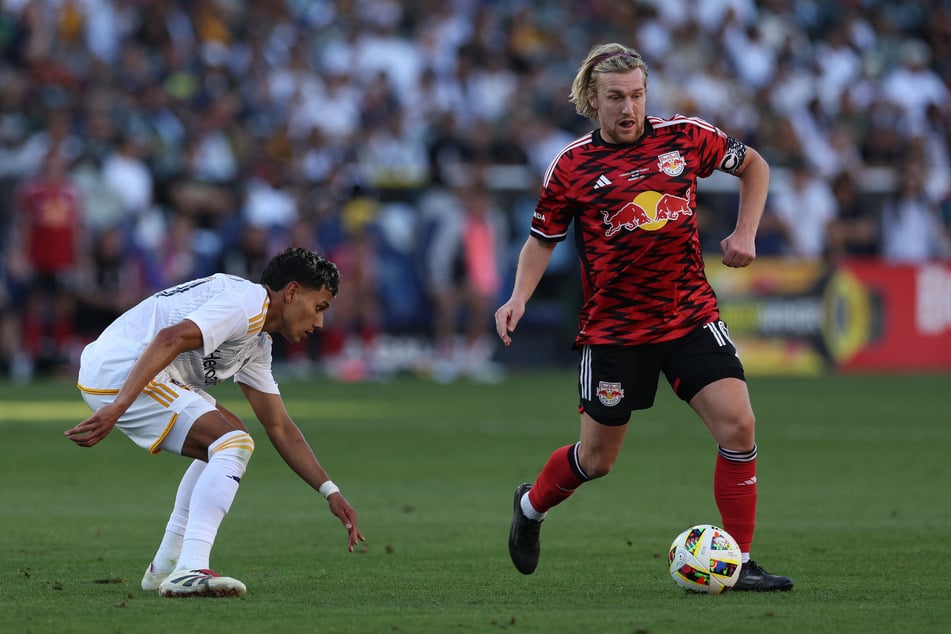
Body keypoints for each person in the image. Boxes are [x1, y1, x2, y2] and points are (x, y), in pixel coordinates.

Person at [494, 43, 793, 591]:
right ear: (592, 100)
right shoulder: (572, 166)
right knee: (598, 459)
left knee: (739, 425)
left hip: (688, 313)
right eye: (615, 97)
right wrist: (517, 298)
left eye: (636, 95)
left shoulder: (684, 136)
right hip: (615, 331)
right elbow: (542, 240)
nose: (628, 108)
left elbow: (754, 165)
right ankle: (531, 506)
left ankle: (739, 561)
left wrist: (746, 231)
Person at [65, 247, 365, 597]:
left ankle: (164, 568)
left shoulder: (257, 341)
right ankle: (190, 568)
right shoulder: (245, 304)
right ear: (293, 291)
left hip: (138, 371)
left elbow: (279, 426)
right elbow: (169, 339)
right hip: (121, 370)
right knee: (233, 444)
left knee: (232, 438)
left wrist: (330, 491)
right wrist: (119, 406)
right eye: (319, 307)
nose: (319, 322)